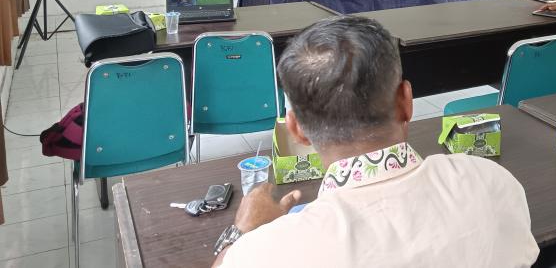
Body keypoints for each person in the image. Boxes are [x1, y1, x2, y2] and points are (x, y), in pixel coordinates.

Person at [213, 16, 539, 268]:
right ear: (406, 102)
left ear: (296, 129)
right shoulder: (492, 183)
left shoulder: (267, 254)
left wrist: (241, 233)